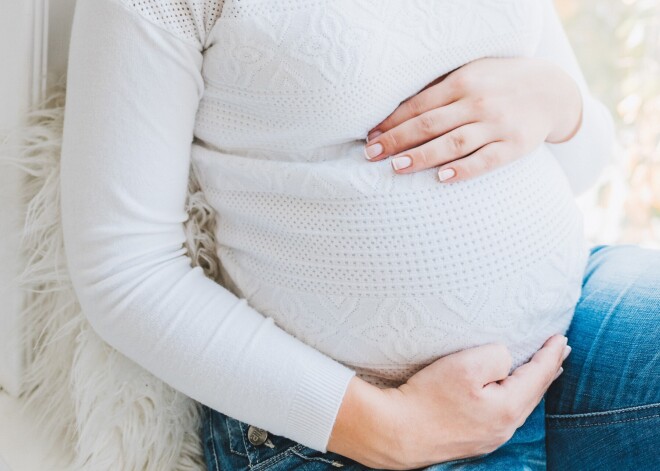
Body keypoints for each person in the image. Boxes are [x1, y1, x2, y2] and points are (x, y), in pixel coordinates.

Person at [60, 0, 659, 470]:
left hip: (568, 331)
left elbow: (579, 164)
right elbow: (124, 270)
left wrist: (558, 102)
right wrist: (388, 428)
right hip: (345, 429)